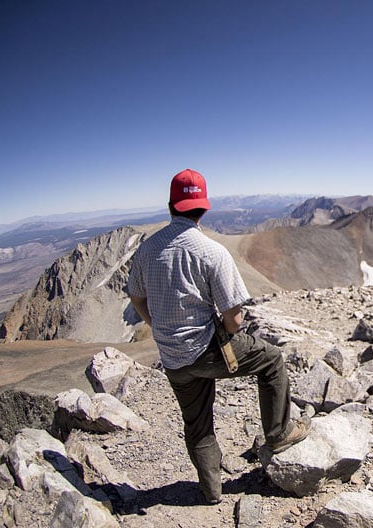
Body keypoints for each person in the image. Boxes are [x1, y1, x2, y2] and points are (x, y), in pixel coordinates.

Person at [127, 168, 309, 504]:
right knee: (271, 360)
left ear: (170, 206)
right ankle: (279, 433)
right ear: (204, 208)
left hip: (172, 358)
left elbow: (136, 297)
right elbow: (235, 318)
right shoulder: (212, 252)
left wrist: (157, 325)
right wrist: (224, 337)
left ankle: (211, 492)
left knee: (197, 424)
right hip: (207, 349)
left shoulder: (146, 250)